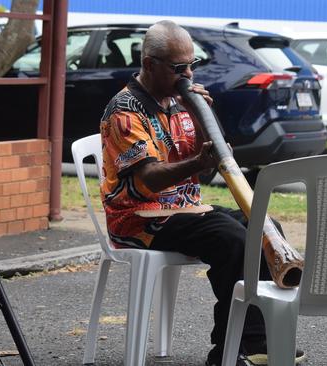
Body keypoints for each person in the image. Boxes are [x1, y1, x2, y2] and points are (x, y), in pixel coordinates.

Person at [99, 20, 305, 366]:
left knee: (266, 229)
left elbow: (210, 169)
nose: (188, 76)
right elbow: (148, 181)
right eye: (179, 69)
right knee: (232, 239)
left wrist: (201, 118)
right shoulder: (124, 110)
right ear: (149, 64)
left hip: (184, 207)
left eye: (192, 66)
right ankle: (227, 351)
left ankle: (259, 340)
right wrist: (198, 161)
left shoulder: (179, 103)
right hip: (139, 217)